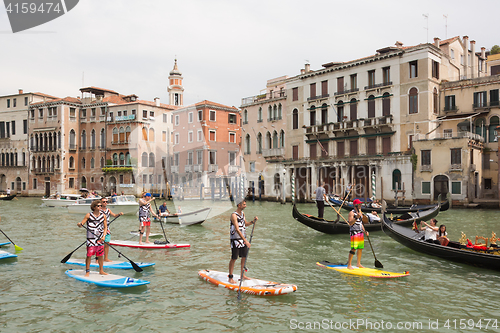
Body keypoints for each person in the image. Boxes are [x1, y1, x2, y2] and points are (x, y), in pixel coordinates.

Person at [228, 199, 257, 284]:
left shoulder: (243, 214)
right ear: (239, 205)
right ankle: (230, 277)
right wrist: (246, 241)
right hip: (235, 240)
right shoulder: (234, 215)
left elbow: (245, 224)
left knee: (244, 256)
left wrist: (252, 222)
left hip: (243, 239)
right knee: (234, 258)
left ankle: (242, 275)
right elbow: (237, 229)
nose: (245, 206)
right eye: (244, 204)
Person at [77, 200, 108, 277]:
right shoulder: (88, 215)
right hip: (91, 239)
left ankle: (101, 270)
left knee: (100, 255)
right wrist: (79, 224)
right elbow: (82, 224)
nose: (100, 207)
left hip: (100, 238)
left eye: (101, 205)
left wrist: (104, 236)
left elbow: (105, 227)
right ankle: (87, 271)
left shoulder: (103, 216)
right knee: (89, 255)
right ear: (94, 207)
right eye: (98, 206)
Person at [347, 199, 368, 270]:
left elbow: (361, 224)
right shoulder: (351, 213)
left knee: (360, 248)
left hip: (360, 232)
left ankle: (358, 263)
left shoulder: (360, 213)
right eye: (359, 204)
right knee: (354, 248)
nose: (360, 205)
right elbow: (350, 223)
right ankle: (349, 265)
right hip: (354, 233)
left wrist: (365, 231)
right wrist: (356, 217)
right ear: (355, 205)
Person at [100, 198, 123, 262]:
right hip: (99, 229)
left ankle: (106, 258)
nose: (105, 203)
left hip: (107, 229)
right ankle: (98, 258)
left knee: (107, 243)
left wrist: (119, 214)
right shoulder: (98, 210)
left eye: (106, 202)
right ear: (101, 203)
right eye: (103, 201)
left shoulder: (108, 210)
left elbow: (114, 215)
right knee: (99, 244)